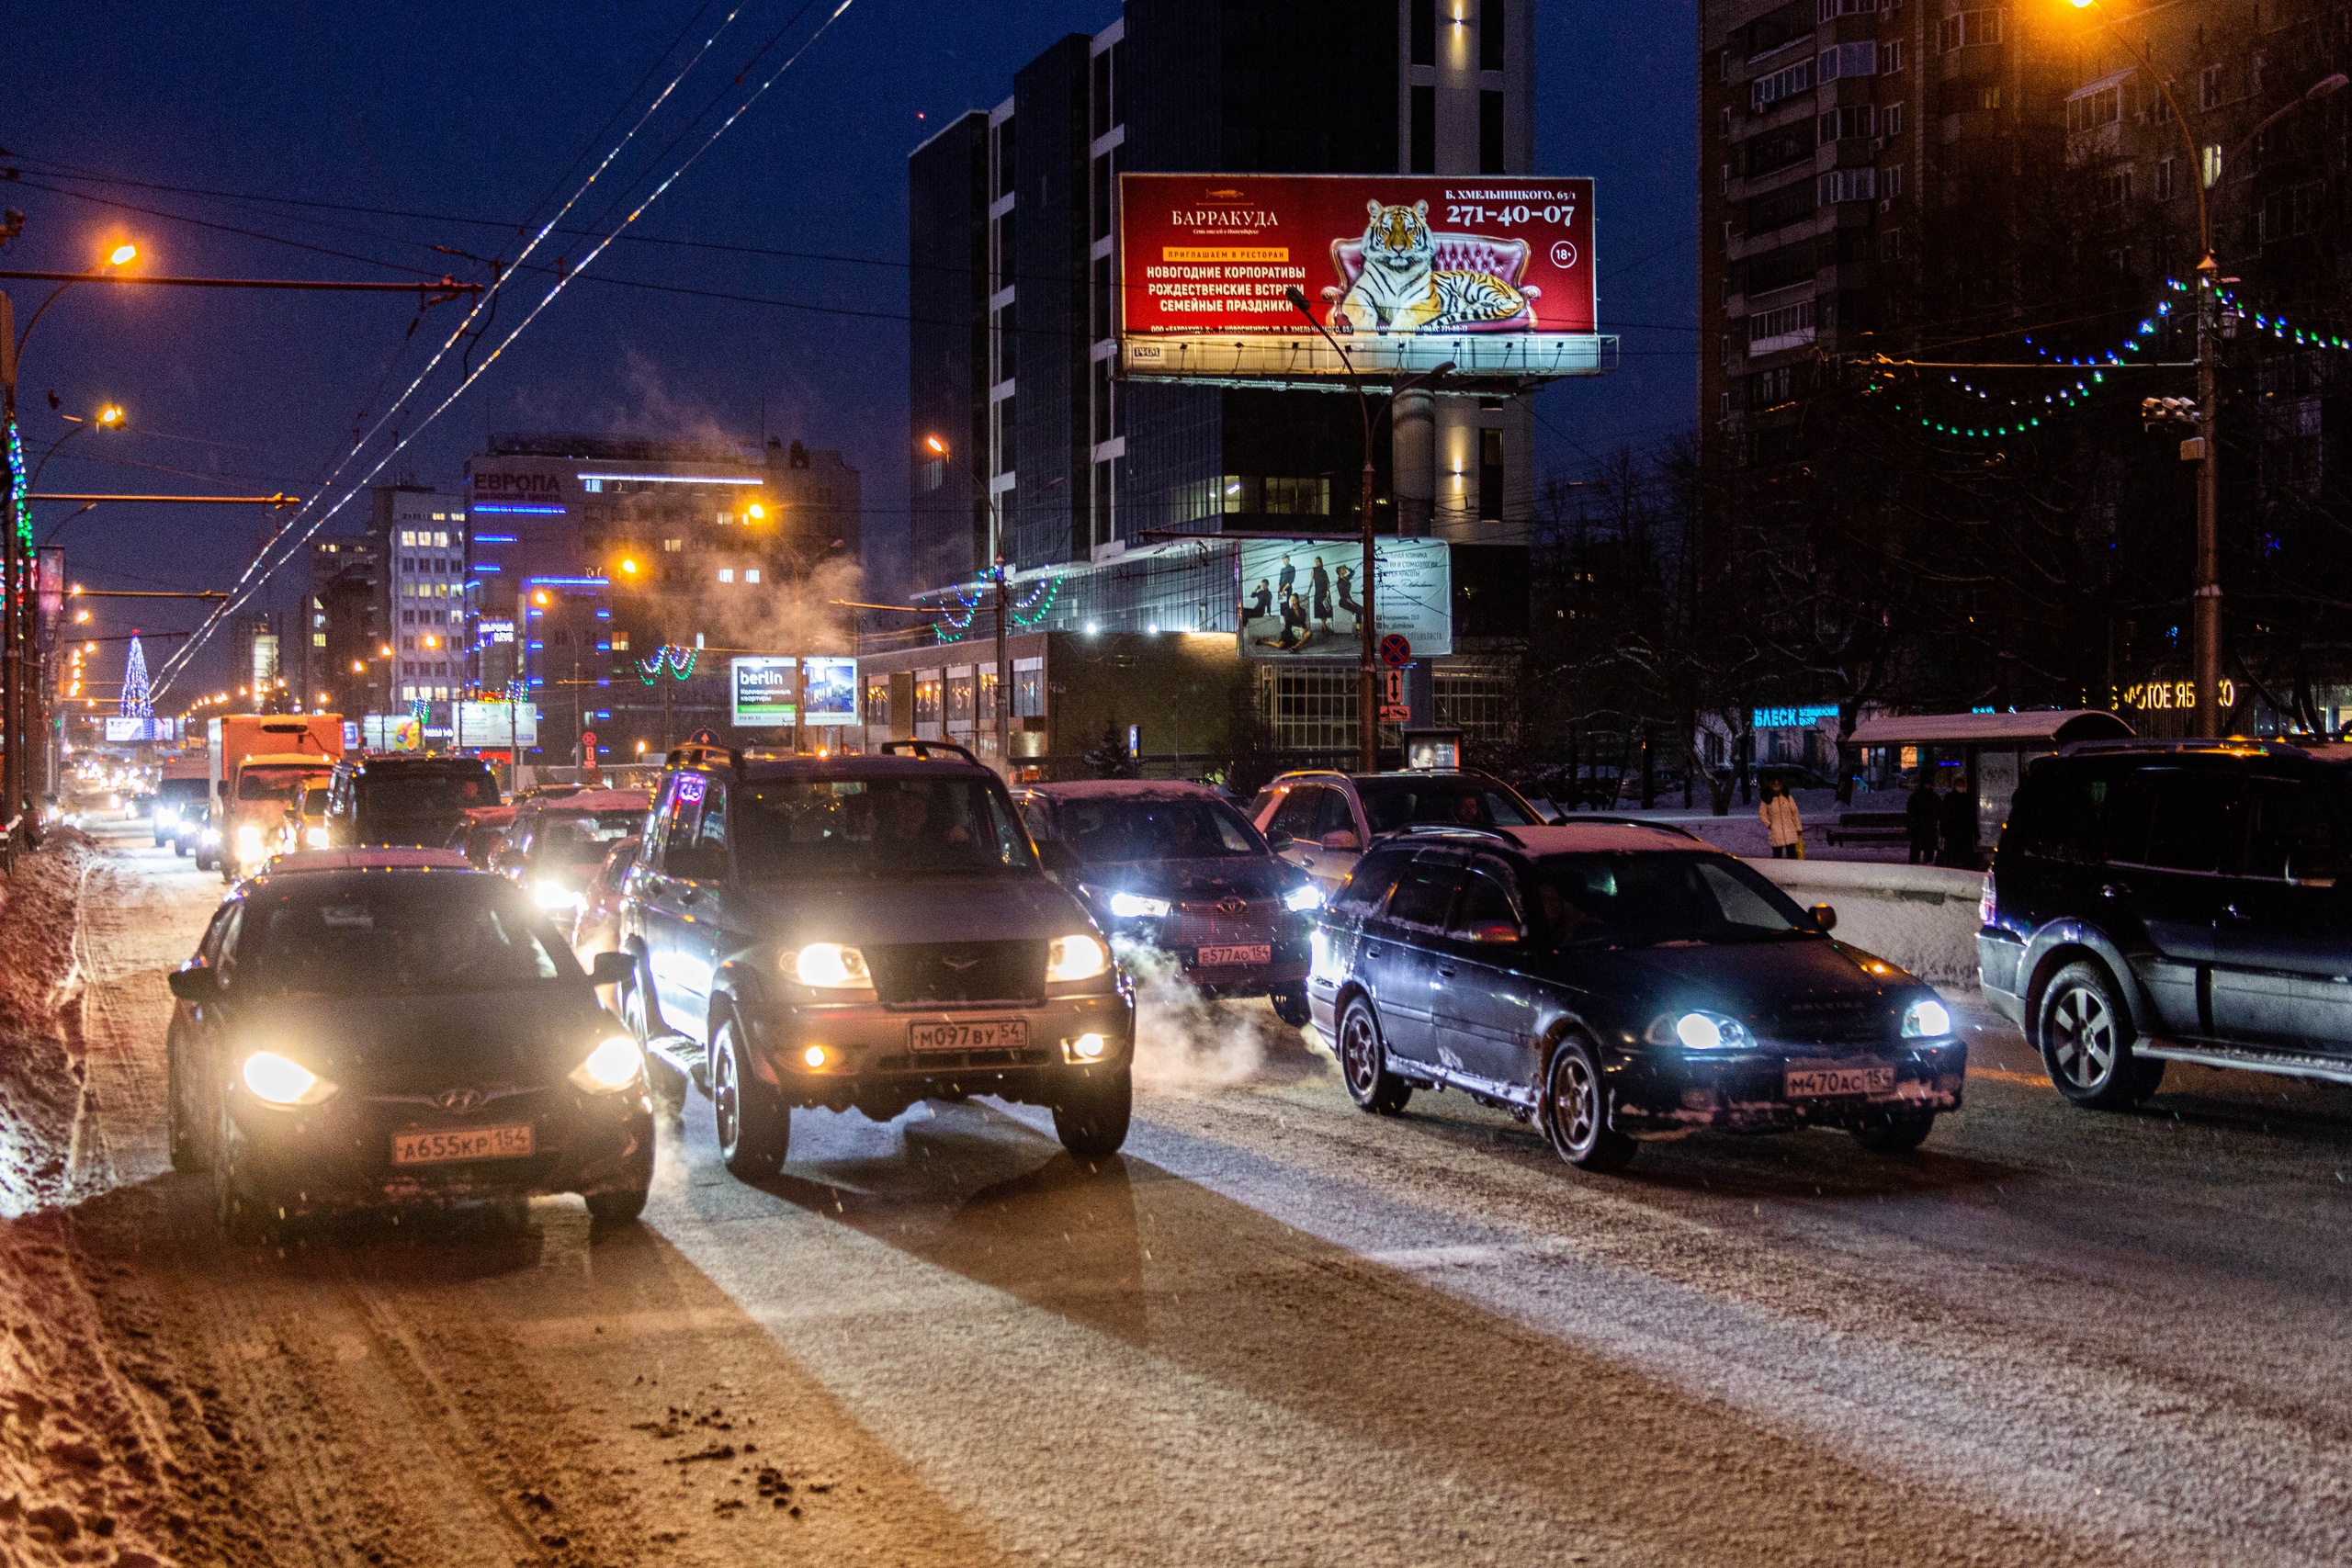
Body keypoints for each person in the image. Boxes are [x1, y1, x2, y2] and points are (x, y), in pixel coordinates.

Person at [1758, 776, 1803, 859]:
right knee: (1777, 857)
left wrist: (1798, 829)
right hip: (1776, 831)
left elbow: (1795, 813)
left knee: (1792, 856)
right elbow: (1762, 815)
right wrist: (1770, 825)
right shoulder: (1766, 798)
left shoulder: (1787, 797)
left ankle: (1792, 871)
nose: (1776, 786)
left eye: (1778, 784)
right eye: (1774, 784)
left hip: (1790, 830)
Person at [1939, 780, 1975, 869]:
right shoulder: (1965, 798)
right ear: (1955, 786)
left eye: (1963, 786)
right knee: (1959, 850)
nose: (1962, 788)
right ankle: (1959, 865)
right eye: (1960, 786)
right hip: (1957, 830)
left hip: (1957, 830)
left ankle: (1956, 865)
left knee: (1956, 850)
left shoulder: (1950, 798)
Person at [1905, 773, 1940, 865]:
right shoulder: (1934, 797)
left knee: (1917, 850)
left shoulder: (1915, 797)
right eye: (1927, 784)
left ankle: (1914, 867)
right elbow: (1939, 812)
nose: (1928, 786)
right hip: (1926, 828)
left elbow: (1910, 811)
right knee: (1927, 850)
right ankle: (1925, 866)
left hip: (1920, 828)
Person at [1335, 563, 1362, 628]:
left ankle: (1358, 630)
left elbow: (1353, 572)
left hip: (1349, 600)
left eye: (1344, 569)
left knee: (1361, 610)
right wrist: (1349, 601)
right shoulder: (1339, 582)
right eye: (1343, 569)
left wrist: (1347, 567)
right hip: (1343, 601)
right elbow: (1342, 594)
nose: (1344, 570)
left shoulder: (1346, 578)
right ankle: (1358, 631)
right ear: (1340, 572)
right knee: (1359, 610)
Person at [1311, 557, 1333, 628]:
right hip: (1318, 592)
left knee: (1326, 610)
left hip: (1325, 592)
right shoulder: (1313, 569)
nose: (1317, 563)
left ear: (1321, 562)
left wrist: (1328, 590)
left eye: (1318, 562)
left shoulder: (1324, 571)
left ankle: (1324, 626)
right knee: (1320, 609)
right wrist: (1308, 591)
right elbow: (1311, 581)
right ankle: (1324, 626)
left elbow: (1328, 582)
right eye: (1316, 562)